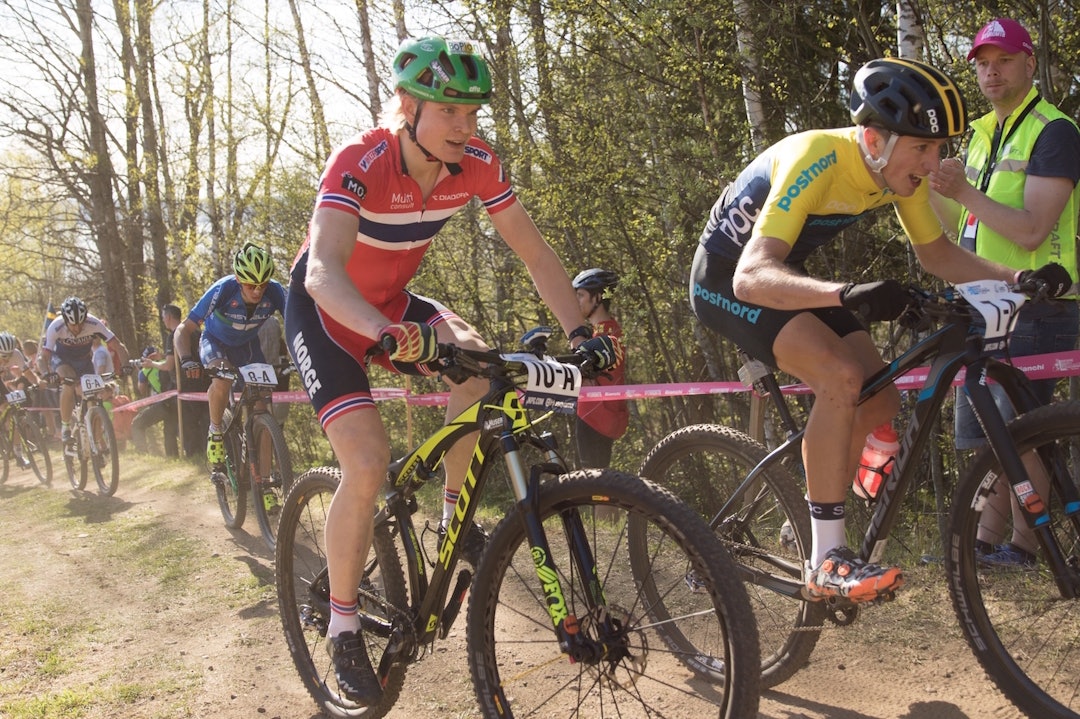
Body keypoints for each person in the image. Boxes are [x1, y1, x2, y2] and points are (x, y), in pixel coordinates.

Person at [283, 36, 622, 706]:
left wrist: (583, 333)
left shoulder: (476, 164)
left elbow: (533, 251)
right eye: (451, 112)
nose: (468, 127)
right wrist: (384, 333)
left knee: (479, 366)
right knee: (367, 460)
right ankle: (344, 628)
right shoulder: (361, 160)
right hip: (327, 312)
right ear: (408, 107)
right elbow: (323, 270)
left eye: (474, 114)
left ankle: (449, 522)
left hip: (393, 308)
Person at [689, 56, 1071, 605]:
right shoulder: (817, 157)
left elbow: (937, 254)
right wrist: (845, 293)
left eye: (939, 148)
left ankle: (809, 519)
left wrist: (1020, 277)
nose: (934, 162)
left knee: (879, 399)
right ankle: (825, 559)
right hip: (729, 280)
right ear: (873, 138)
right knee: (842, 377)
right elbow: (751, 278)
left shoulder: (899, 172)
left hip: (786, 276)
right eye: (923, 148)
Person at [930, 17, 1080, 568]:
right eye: (983, 64)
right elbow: (957, 218)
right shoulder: (984, 132)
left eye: (1004, 61)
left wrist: (963, 188)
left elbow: (1031, 229)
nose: (991, 73)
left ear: (1029, 63)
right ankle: (985, 543)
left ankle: (1027, 543)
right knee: (983, 431)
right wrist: (920, 183)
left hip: (1039, 302)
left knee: (1021, 431)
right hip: (983, 300)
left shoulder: (1054, 130)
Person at [174, 243, 287, 468]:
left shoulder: (275, 291)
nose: (257, 291)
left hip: (248, 346)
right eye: (250, 285)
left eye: (262, 285)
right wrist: (186, 359)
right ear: (238, 279)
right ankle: (215, 432)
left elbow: (296, 325)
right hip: (215, 342)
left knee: (264, 403)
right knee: (223, 378)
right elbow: (183, 329)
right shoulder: (223, 289)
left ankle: (265, 480)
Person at [38, 296, 131, 450]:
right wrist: (46, 374)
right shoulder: (55, 326)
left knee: (95, 398)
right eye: (73, 325)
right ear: (66, 320)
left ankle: (96, 444)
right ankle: (66, 427)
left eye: (80, 324)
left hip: (84, 361)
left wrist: (126, 365)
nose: (77, 328)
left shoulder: (94, 323)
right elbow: (43, 357)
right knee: (69, 381)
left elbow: (118, 346)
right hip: (61, 359)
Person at [571, 268, 629, 469]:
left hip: (596, 417)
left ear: (597, 297)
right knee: (594, 486)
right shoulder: (603, 331)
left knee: (596, 488)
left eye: (580, 295)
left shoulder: (607, 335)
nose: (577, 301)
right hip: (597, 416)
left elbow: (587, 378)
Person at [131, 344, 179, 456]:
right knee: (169, 432)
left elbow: (142, 390)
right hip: (175, 402)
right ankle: (173, 457)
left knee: (137, 424)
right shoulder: (167, 362)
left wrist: (141, 371)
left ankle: (142, 454)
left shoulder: (145, 371)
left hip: (162, 404)